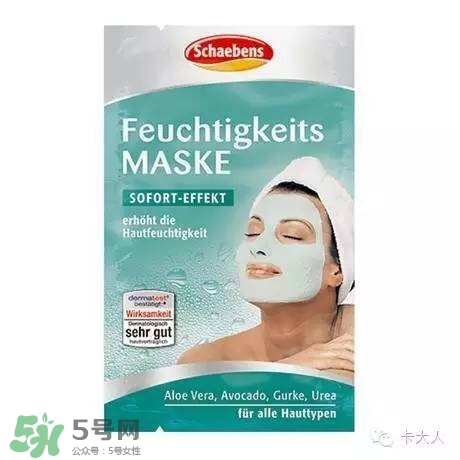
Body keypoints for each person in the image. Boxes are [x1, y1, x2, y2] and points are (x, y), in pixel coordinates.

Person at [178, 157, 354, 382]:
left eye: (292, 235)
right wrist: (288, 368)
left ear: (337, 271)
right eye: (252, 233)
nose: (258, 247)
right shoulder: (204, 361)